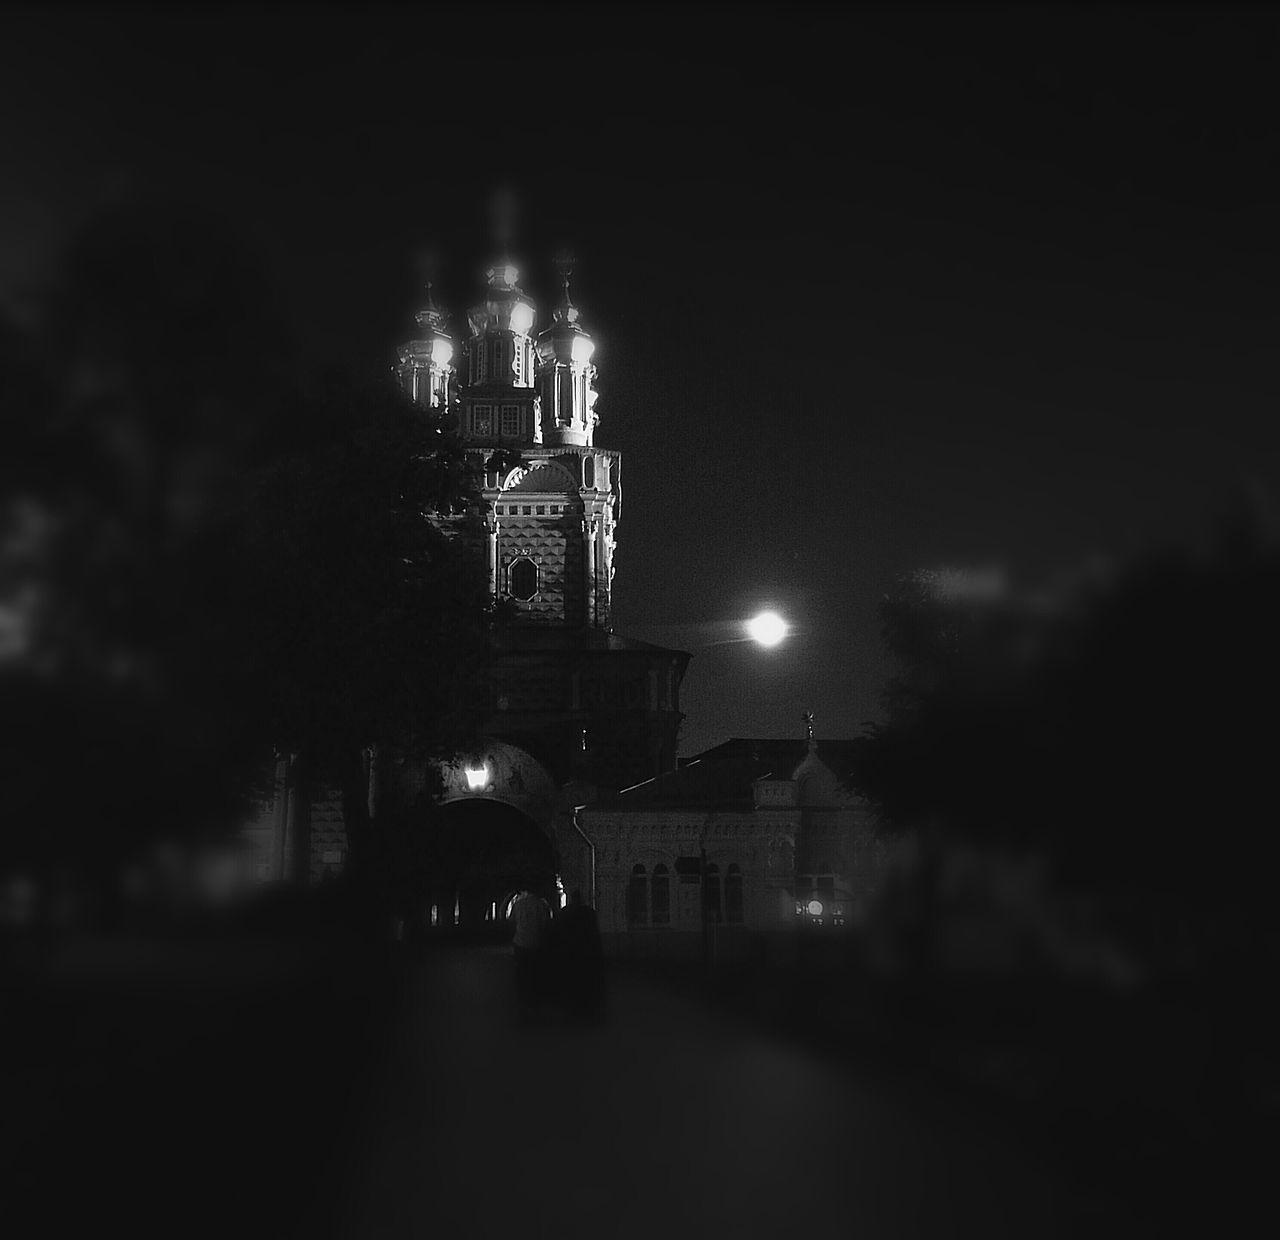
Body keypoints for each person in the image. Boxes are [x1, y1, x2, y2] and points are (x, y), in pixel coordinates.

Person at [550, 889, 605, 1022]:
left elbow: (556, 934)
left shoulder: (563, 914)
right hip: (584, 953)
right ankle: (584, 1009)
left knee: (571, 981)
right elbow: (594, 934)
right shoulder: (589, 913)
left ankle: (572, 1009)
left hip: (568, 953)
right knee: (583, 982)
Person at [508, 887, 551, 1012]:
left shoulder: (518, 904)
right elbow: (545, 923)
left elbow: (511, 921)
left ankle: (522, 998)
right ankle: (534, 998)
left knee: (521, 971)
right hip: (536, 942)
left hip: (520, 942)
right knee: (535, 971)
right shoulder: (542, 904)